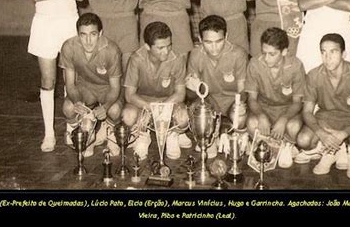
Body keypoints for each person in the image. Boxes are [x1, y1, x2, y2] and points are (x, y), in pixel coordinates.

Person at [25, 0, 85, 152]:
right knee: (48, 80)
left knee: (72, 80)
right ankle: (49, 134)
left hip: (70, 21)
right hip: (45, 24)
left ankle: (72, 128)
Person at [295, 34, 350, 179]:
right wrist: (321, 133)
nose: (327, 57)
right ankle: (330, 152)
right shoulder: (313, 75)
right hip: (326, 119)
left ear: (343, 54)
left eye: (333, 51)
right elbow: (307, 112)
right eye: (323, 52)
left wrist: (343, 134)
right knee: (303, 140)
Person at [122, 21, 191, 161]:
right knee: (128, 116)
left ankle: (173, 133)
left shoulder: (177, 59)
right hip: (143, 102)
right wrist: (150, 108)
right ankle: (143, 135)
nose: (166, 51)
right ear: (147, 46)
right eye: (160, 48)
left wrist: (161, 109)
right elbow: (129, 95)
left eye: (169, 45)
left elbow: (180, 94)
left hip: (168, 101)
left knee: (184, 117)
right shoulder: (136, 59)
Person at [59, 13, 123, 157]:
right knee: (68, 107)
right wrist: (77, 101)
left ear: (100, 33)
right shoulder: (69, 46)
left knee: (114, 110)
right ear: (78, 34)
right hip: (85, 86)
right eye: (83, 35)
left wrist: (105, 107)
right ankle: (84, 131)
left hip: (107, 88)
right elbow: (69, 84)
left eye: (93, 34)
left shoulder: (112, 50)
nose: (88, 40)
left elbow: (115, 88)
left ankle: (110, 132)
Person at [185, 15, 248, 158]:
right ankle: (208, 138)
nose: (214, 47)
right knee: (194, 107)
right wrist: (192, 88)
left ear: (226, 36)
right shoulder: (195, 54)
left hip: (232, 100)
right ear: (200, 40)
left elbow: (242, 90)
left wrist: (240, 104)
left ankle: (241, 136)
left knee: (240, 114)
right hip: (209, 99)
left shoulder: (238, 54)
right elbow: (189, 96)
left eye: (219, 41)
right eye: (208, 42)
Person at [245, 27, 306, 168]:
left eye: (272, 54)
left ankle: (286, 145)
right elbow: (252, 99)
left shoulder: (296, 65)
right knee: (252, 123)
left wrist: (283, 120)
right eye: (264, 53)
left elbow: (297, 102)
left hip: (288, 109)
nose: (266, 58)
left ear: (284, 52)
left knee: (294, 127)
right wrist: (261, 115)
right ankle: (263, 143)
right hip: (264, 107)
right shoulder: (255, 63)